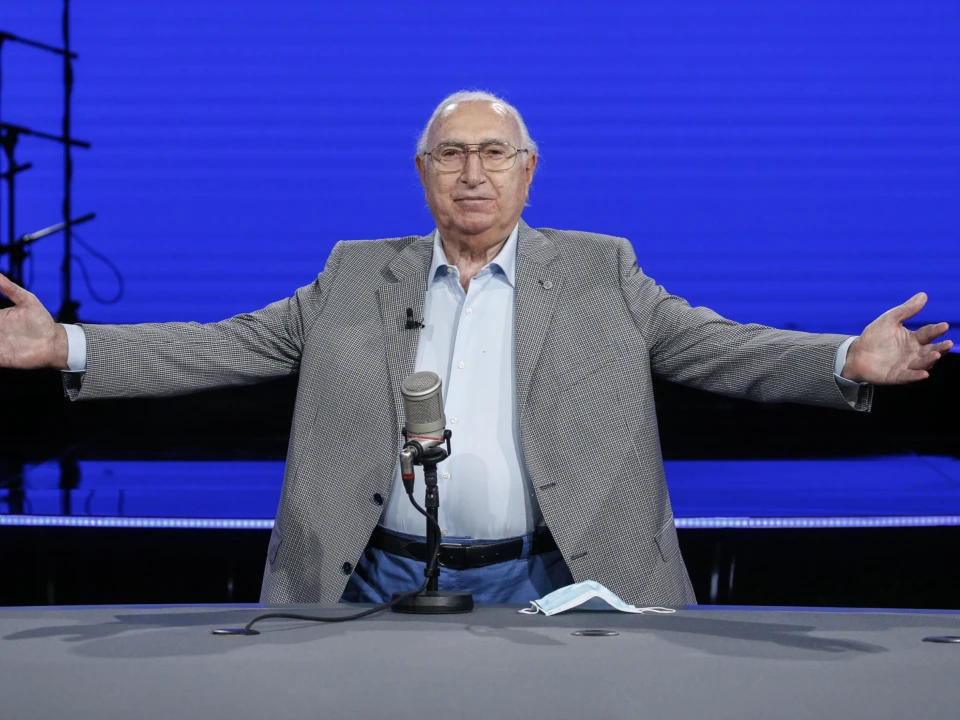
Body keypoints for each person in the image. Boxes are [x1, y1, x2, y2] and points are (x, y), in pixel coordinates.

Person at [0, 90, 952, 606]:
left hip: (557, 575)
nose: (473, 173)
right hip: (372, 576)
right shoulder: (354, 273)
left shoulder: (603, 270)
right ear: (422, 173)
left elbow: (717, 348)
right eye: (452, 154)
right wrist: (65, 346)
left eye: (494, 153)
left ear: (528, 172)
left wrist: (842, 359)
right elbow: (224, 346)